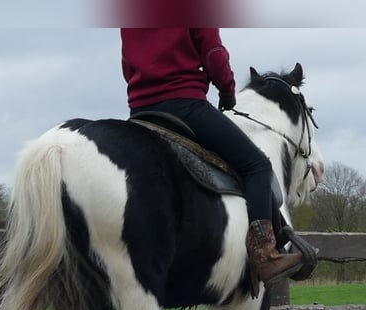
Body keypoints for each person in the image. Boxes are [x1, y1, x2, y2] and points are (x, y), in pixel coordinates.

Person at [120, 27, 303, 289]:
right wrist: (227, 91)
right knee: (258, 166)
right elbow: (214, 53)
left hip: (140, 110)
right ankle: (264, 255)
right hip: (184, 104)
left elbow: (128, 62)